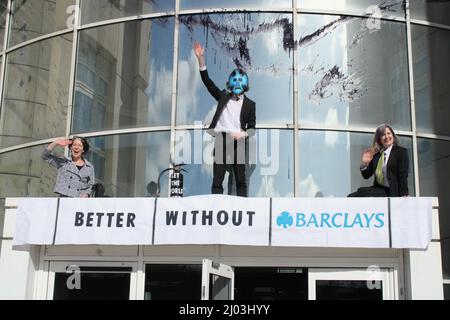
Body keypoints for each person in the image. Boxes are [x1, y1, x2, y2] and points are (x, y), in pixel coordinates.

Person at [193, 42, 256, 197]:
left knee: (241, 179)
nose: (237, 86)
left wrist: (242, 134)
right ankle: (216, 206)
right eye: (235, 83)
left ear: (245, 85)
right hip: (222, 139)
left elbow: (252, 128)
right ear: (230, 83)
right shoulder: (223, 96)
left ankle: (243, 208)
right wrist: (201, 60)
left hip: (238, 141)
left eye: (240, 83)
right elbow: (208, 83)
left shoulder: (250, 105)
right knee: (218, 178)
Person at [349, 124, 409, 197]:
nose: (386, 137)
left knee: (361, 191)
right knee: (351, 196)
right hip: (380, 190)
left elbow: (402, 174)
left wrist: (405, 193)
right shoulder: (377, 156)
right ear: (379, 140)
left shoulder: (400, 152)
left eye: (388, 133)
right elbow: (366, 175)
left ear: (393, 135)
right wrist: (364, 163)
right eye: (383, 135)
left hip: (392, 191)